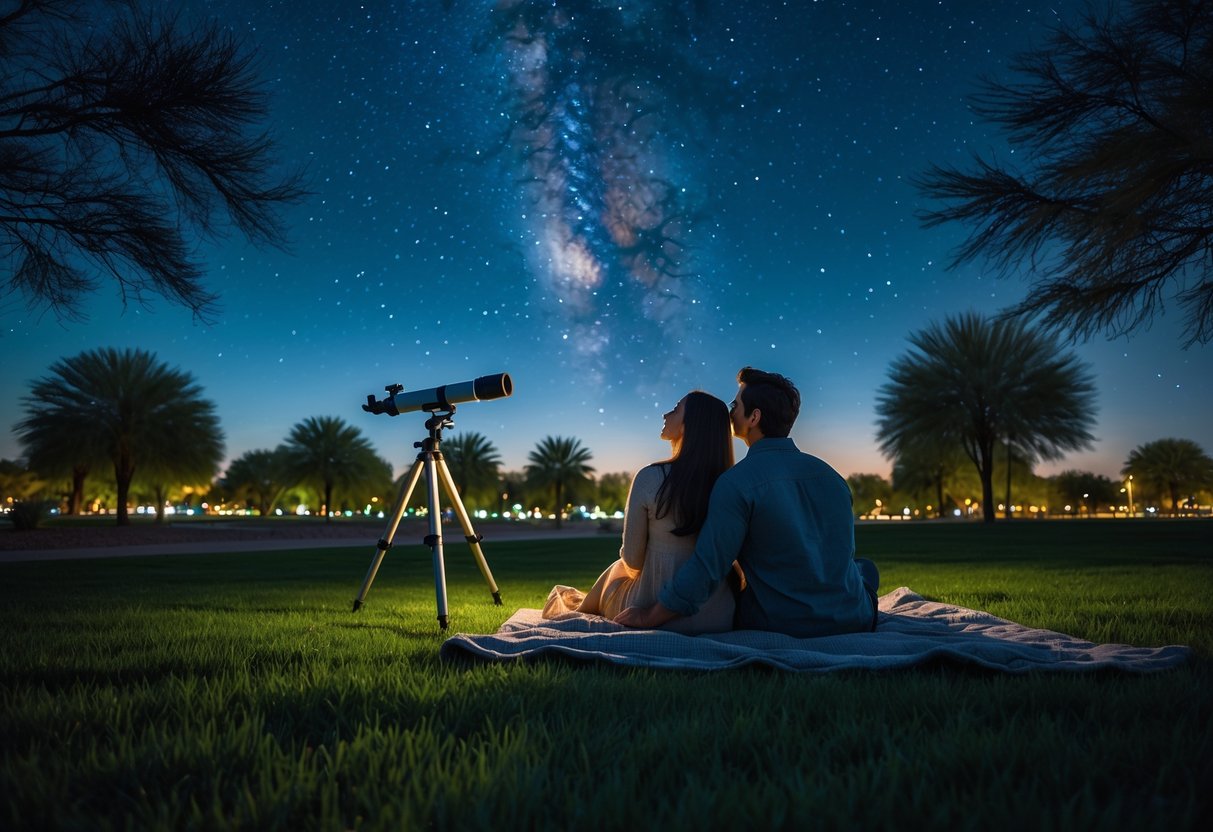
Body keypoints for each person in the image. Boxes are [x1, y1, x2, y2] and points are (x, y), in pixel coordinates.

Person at [615, 367, 880, 637]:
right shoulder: (832, 478)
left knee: (862, 569)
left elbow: (707, 569)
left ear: (754, 417)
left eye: (735, 405)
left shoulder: (736, 483)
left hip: (780, 623)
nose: (730, 413)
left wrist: (650, 615)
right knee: (864, 569)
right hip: (854, 617)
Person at [542, 390, 739, 634]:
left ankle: (581, 610)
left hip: (653, 605)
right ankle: (583, 608)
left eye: (676, 409)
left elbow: (633, 559)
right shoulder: (732, 484)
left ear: (691, 425)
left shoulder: (652, 478)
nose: (666, 414)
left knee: (618, 569)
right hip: (717, 614)